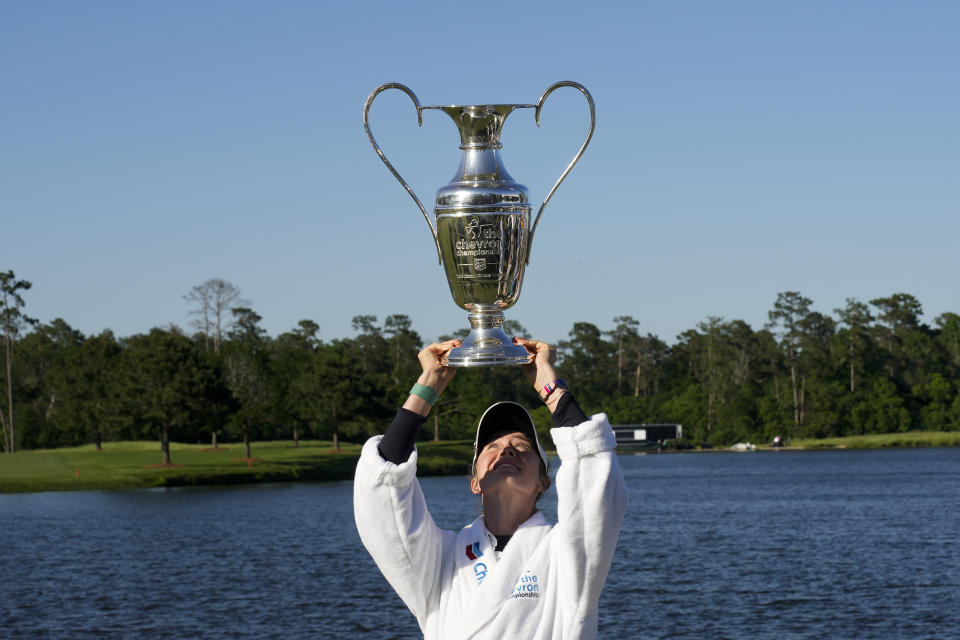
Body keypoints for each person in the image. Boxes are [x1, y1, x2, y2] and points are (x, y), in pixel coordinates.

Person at [353, 336, 628, 639]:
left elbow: (595, 487)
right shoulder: (442, 560)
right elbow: (383, 497)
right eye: (492, 446)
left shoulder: (564, 554)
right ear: (475, 482)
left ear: (543, 481)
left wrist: (549, 387)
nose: (507, 450)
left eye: (521, 445)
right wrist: (428, 385)